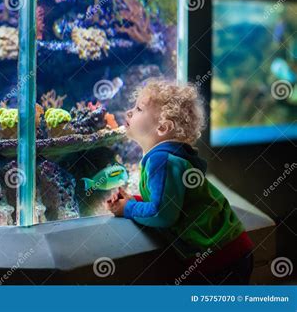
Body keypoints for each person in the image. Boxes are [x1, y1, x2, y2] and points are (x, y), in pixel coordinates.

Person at [106, 78, 254, 284]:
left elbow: (161, 214)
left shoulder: (161, 160)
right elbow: (172, 199)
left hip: (220, 258)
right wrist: (135, 199)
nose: (129, 112)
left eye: (139, 108)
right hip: (230, 248)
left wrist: (128, 208)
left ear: (163, 127)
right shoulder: (169, 156)